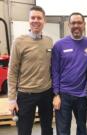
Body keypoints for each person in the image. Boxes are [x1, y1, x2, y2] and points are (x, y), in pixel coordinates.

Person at [8, 6, 53, 135]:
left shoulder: (49, 41)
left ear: (44, 21)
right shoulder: (19, 42)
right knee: (24, 130)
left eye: (39, 18)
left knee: (47, 129)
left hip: (46, 93)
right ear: (29, 20)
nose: (36, 20)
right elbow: (12, 71)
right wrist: (12, 99)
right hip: (26, 95)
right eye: (33, 17)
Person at [51, 12, 87, 135]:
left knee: (82, 128)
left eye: (79, 23)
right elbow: (54, 70)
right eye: (73, 23)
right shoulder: (59, 45)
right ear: (69, 25)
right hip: (63, 95)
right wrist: (56, 94)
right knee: (63, 129)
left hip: (83, 96)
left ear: (84, 24)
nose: (76, 25)